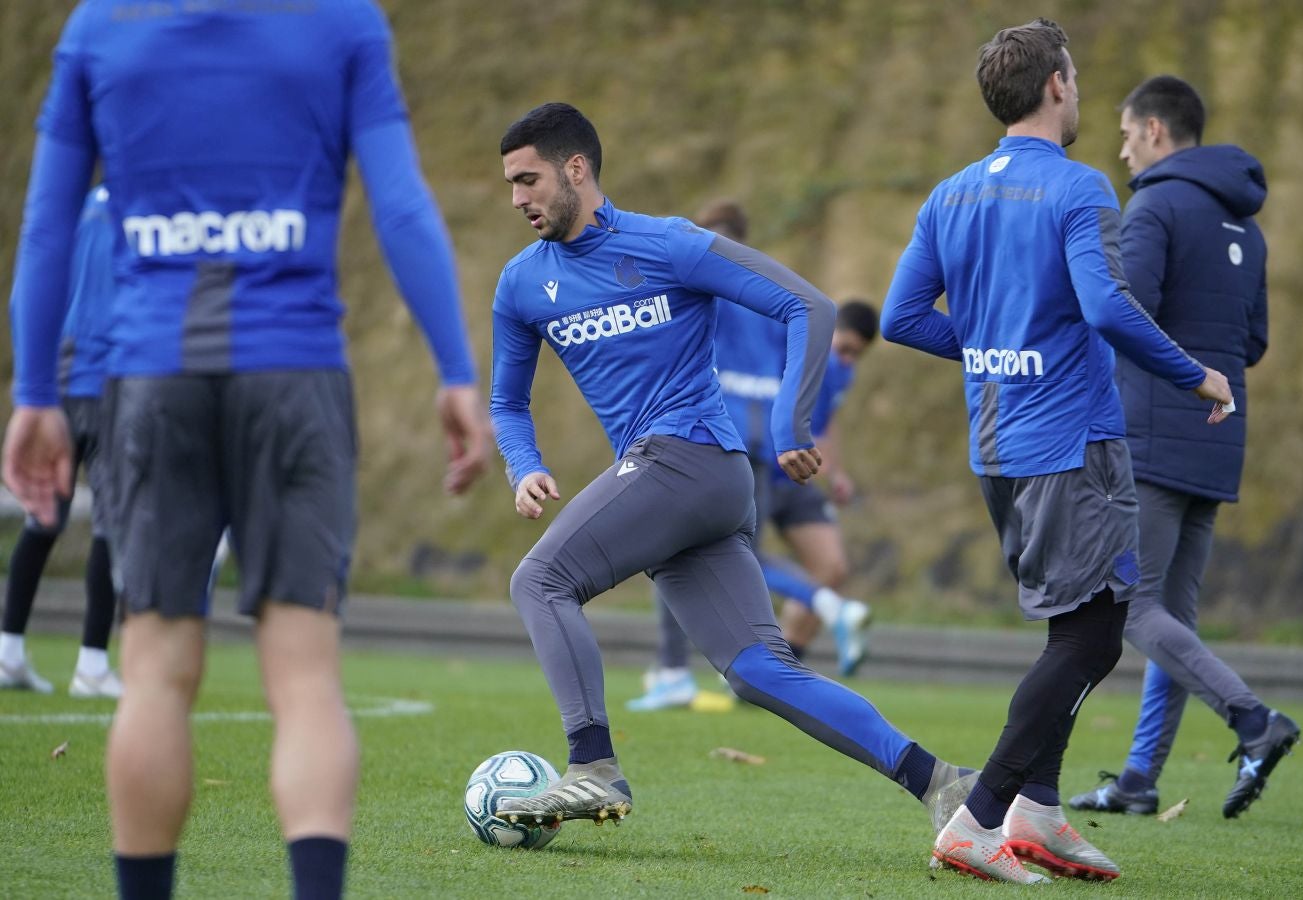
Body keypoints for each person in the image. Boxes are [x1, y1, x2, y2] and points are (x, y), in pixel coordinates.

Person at [2, 3, 491, 898]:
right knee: (305, 677)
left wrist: (34, 393)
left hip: (153, 380)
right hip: (295, 373)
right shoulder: (343, 22)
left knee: (151, 674)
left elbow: (47, 224)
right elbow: (400, 203)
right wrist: (456, 368)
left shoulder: (100, 28)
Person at [489, 102, 971, 833]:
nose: (517, 198)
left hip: (689, 459)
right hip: (685, 486)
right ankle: (940, 781)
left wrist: (789, 424)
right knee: (757, 672)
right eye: (510, 184)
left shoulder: (672, 245)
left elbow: (806, 305)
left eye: (528, 179)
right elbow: (506, 401)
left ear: (576, 169)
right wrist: (522, 465)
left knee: (541, 579)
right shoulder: (520, 284)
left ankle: (592, 766)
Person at [881, 19, 1234, 883]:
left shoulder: (950, 193)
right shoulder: (1080, 191)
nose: (1078, 92)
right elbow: (1107, 309)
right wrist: (1198, 378)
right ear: (1054, 87)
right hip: (1071, 442)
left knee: (1071, 627)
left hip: (997, 445)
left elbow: (899, 316)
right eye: (1073, 79)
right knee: (1090, 639)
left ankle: (1039, 810)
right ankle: (981, 815)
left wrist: (994, 346)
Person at [1067, 75, 1297, 821]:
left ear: (1157, 131)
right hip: (1218, 433)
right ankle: (1137, 778)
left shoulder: (1155, 204)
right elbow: (1251, 342)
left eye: (1127, 133)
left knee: (1133, 609)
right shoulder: (1246, 227)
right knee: (1172, 614)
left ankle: (1251, 719)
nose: (1122, 147)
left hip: (1155, 433)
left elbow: (1124, 314)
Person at [627, 203, 877, 712]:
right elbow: (801, 354)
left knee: (684, 551)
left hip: (709, 437)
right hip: (764, 446)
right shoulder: (764, 288)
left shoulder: (700, 287)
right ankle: (718, 668)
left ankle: (679, 670)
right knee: (725, 555)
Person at [1, 185, 121, 699]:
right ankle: (92, 664)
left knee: (42, 521)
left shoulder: (67, 206)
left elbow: (24, 294)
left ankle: (8, 651)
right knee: (110, 528)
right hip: (117, 384)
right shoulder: (146, 205)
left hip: (57, 385)